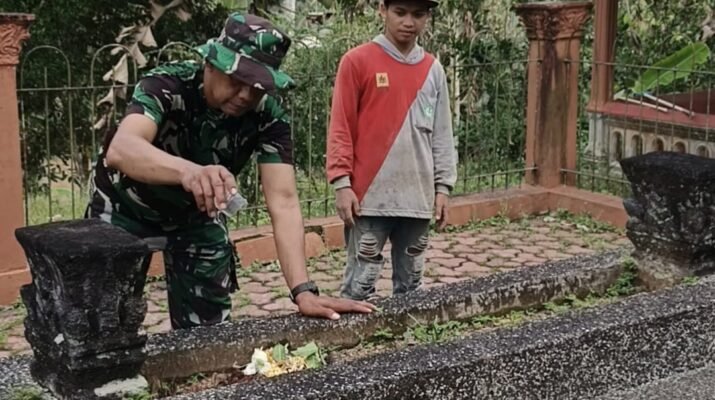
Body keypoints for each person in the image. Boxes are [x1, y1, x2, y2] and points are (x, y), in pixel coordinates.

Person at [85, 12, 374, 329]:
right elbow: (122, 148)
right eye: (237, 79)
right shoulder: (167, 85)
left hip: (196, 216)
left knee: (209, 334)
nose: (246, 95)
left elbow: (284, 201)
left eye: (258, 86)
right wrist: (190, 172)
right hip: (124, 208)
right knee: (103, 326)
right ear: (210, 64)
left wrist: (303, 291)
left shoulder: (268, 116)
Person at [327, 0, 457, 301]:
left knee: (412, 287)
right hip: (369, 199)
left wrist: (443, 188)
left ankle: (408, 330)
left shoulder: (433, 70)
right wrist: (342, 184)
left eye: (418, 14)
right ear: (382, 10)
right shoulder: (357, 61)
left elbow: (442, 133)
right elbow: (341, 126)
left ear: (428, 17)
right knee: (360, 284)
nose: (409, 22)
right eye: (400, 12)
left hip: (418, 197)